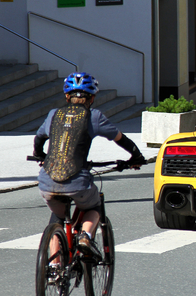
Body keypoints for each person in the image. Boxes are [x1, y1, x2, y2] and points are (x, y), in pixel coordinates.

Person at [33, 72, 145, 257]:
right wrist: (137, 157)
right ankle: (85, 236)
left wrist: (40, 156)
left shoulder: (53, 114)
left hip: (47, 181)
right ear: (92, 98)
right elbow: (120, 139)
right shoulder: (94, 116)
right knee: (94, 205)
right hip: (78, 182)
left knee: (58, 218)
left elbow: (39, 139)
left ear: (67, 96)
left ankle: (54, 266)